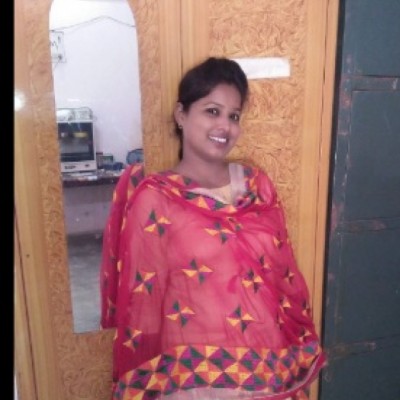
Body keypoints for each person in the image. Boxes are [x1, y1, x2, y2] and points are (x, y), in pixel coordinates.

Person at [100, 57, 325, 400]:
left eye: (233, 116)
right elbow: (143, 302)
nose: (225, 126)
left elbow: (283, 276)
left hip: (266, 365)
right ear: (181, 115)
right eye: (212, 111)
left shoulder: (257, 186)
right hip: (194, 374)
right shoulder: (156, 198)